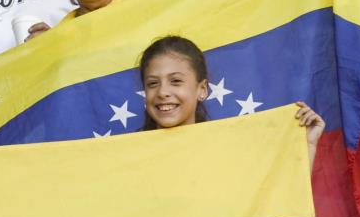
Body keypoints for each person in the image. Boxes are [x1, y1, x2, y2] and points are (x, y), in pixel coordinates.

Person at [138, 35, 324, 171]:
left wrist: (307, 146)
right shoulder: (131, 158)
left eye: (176, 81)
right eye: (153, 84)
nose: (162, 92)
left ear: (202, 89)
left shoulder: (227, 152)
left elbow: (272, 204)